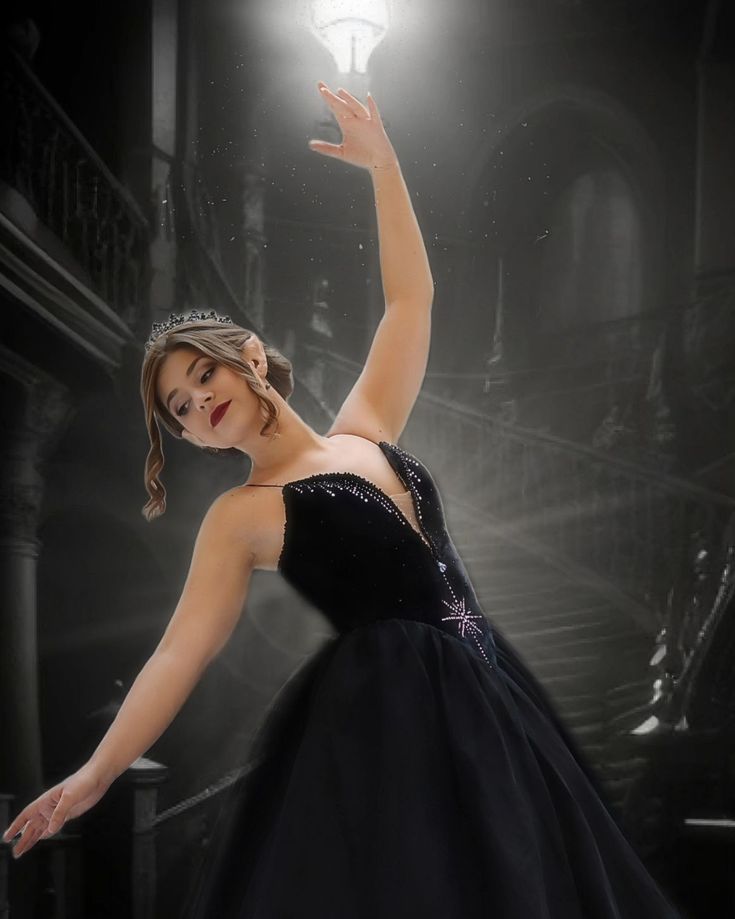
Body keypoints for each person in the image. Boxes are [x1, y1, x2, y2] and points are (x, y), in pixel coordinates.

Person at [2, 82, 682, 918]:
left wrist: (383, 168)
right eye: (179, 410)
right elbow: (177, 654)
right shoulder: (239, 517)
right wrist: (91, 776)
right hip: (392, 723)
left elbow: (410, 301)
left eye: (203, 375)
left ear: (248, 355)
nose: (198, 404)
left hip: (492, 693)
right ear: (192, 440)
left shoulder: (365, 428)